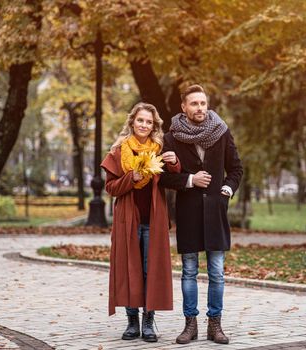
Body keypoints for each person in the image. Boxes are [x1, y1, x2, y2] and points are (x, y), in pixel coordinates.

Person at [159, 84, 243, 344]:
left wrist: (225, 191)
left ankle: (214, 326)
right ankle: (190, 325)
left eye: (203, 103)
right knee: (189, 271)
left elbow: (236, 169)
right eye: (194, 104)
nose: (200, 108)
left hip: (215, 212)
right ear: (183, 107)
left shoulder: (221, 132)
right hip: (189, 212)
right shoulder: (172, 138)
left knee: (217, 272)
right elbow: (162, 178)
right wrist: (190, 179)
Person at [101, 102, 180, 343]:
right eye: (140, 120)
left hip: (153, 219)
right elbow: (110, 188)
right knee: (129, 268)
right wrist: (130, 178)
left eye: (149, 122)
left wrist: (175, 160)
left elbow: (174, 175)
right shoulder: (119, 151)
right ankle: (132, 322)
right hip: (128, 220)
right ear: (132, 122)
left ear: (153, 125)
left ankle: (148, 321)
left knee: (150, 269)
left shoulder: (159, 149)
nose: (144, 125)